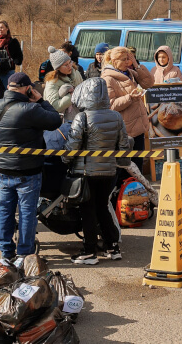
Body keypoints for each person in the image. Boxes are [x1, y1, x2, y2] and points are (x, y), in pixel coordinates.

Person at [0, 73, 62, 261]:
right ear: (27, 88)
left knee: (5, 210)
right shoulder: (32, 109)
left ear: (8, 87)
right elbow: (56, 121)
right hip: (29, 170)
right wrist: (41, 100)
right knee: (27, 212)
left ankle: (6, 252)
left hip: (3, 169)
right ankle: (24, 253)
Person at [64, 78, 131, 265]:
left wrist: (64, 159)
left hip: (87, 173)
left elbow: (72, 147)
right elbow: (124, 146)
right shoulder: (116, 116)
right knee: (103, 208)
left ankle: (89, 251)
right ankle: (112, 247)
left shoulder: (82, 117)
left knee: (88, 211)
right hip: (109, 172)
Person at [101, 46, 153, 172]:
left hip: (138, 127)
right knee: (126, 168)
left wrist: (136, 64)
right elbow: (110, 105)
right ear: (114, 61)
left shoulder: (129, 73)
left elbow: (148, 83)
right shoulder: (108, 79)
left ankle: (138, 191)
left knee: (137, 165)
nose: (127, 62)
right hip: (125, 131)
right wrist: (130, 98)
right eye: (124, 60)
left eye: (128, 59)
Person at [43, 49, 83, 121]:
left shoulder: (76, 73)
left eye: (70, 62)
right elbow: (54, 106)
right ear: (58, 68)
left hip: (78, 117)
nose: (69, 66)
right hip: (60, 122)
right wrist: (72, 96)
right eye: (65, 65)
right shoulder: (52, 82)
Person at [0, 21, 24, 89]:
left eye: (2, 27)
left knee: (8, 92)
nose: (0, 29)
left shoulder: (13, 42)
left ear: (7, 28)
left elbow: (19, 58)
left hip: (8, 72)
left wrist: (14, 60)